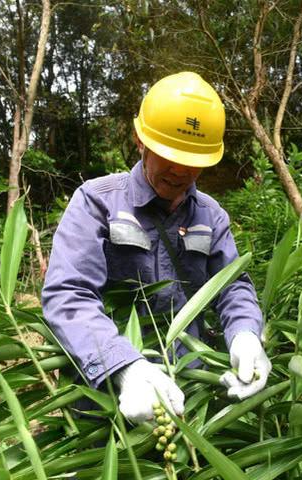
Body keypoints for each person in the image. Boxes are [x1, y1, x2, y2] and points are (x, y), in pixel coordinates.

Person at [42, 72, 271, 424]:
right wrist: (125, 369)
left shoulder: (212, 215)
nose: (179, 170)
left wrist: (245, 335)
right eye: (168, 154)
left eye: (193, 159)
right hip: (106, 397)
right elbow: (68, 294)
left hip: (190, 395)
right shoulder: (96, 202)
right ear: (140, 141)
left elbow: (233, 287)